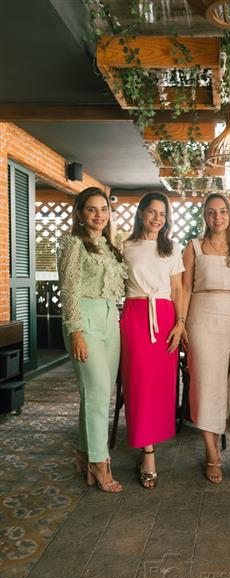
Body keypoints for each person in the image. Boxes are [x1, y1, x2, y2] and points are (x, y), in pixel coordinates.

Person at [58, 187, 127, 493]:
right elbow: (69, 290)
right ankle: (99, 462)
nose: (99, 215)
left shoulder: (110, 246)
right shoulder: (72, 244)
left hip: (111, 320)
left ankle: (84, 452)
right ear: (80, 214)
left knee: (98, 392)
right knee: (97, 391)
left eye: (104, 209)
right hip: (84, 320)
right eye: (91, 209)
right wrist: (75, 332)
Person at [120, 191, 185, 489]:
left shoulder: (172, 248)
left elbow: (178, 289)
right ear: (141, 213)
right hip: (135, 316)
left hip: (165, 317)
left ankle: (152, 440)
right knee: (138, 383)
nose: (158, 218)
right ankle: (147, 451)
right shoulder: (125, 247)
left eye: (162, 214)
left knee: (159, 385)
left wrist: (180, 323)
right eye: (152, 212)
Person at [182, 193, 230, 484]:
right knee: (205, 386)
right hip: (201, 319)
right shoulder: (194, 247)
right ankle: (211, 452)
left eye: (222, 211)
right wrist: (181, 323)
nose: (217, 217)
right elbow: (185, 288)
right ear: (205, 216)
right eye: (211, 212)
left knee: (228, 383)